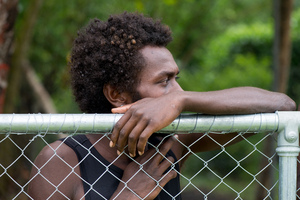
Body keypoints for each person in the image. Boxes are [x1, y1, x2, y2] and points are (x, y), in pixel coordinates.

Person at [27, 12, 296, 200]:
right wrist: (131, 194)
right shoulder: (61, 160)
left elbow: (282, 105)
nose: (175, 90)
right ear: (116, 94)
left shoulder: (173, 143)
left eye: (176, 78)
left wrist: (181, 100)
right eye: (164, 81)